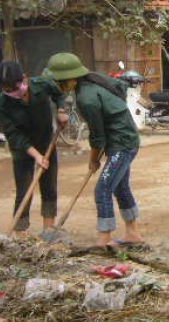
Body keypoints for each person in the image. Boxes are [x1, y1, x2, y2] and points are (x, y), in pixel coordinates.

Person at [46, 53, 144, 248]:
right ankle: (132, 233)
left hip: (122, 144)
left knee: (103, 189)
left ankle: (104, 238)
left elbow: (97, 137)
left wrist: (93, 160)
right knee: (120, 186)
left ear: (70, 79)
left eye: (60, 82)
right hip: (124, 140)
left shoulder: (87, 98)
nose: (58, 86)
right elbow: (121, 89)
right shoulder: (93, 82)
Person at [0, 61, 68, 237]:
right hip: (22, 149)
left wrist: (62, 110)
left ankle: (48, 230)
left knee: (49, 186)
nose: (13, 93)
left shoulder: (42, 85)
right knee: (24, 189)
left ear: (25, 78)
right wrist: (35, 155)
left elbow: (60, 95)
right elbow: (13, 135)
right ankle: (20, 233)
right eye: (7, 90)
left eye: (15, 88)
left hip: (46, 142)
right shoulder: (1, 103)